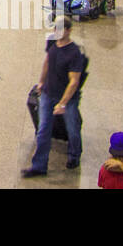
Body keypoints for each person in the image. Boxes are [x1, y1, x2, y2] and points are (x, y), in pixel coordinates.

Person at [21, 18, 85, 177]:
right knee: (43, 130)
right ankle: (39, 166)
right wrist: (41, 82)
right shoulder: (52, 42)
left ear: (69, 30)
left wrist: (63, 103)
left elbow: (74, 82)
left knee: (72, 129)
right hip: (48, 94)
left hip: (67, 98)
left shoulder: (74, 53)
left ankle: (74, 156)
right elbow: (47, 61)